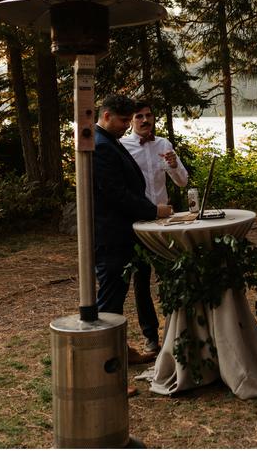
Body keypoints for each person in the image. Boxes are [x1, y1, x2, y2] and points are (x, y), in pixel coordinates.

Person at [93, 94, 172, 368]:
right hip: (111, 237)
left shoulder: (108, 141)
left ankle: (120, 351)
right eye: (124, 120)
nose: (128, 126)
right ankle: (107, 366)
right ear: (106, 116)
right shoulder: (101, 145)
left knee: (115, 298)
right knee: (110, 303)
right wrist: (153, 211)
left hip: (120, 235)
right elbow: (116, 193)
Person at [120, 100, 189, 353]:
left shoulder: (163, 145)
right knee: (141, 281)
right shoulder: (123, 147)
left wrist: (174, 164)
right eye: (139, 116)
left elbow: (182, 182)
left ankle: (176, 331)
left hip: (162, 223)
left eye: (148, 115)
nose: (145, 120)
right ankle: (151, 336)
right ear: (131, 119)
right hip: (137, 223)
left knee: (170, 276)